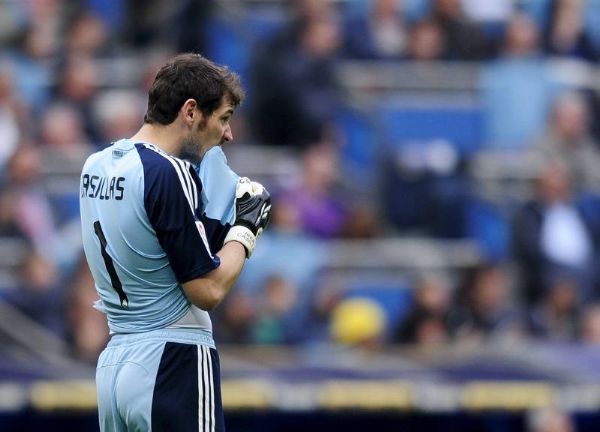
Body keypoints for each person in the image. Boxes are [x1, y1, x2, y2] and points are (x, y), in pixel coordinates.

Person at [79, 53, 272, 432]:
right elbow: (208, 289)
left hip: (116, 362)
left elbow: (153, 249)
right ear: (190, 111)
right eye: (224, 117)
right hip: (173, 358)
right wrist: (245, 229)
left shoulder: (95, 165)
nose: (228, 134)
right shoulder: (171, 172)